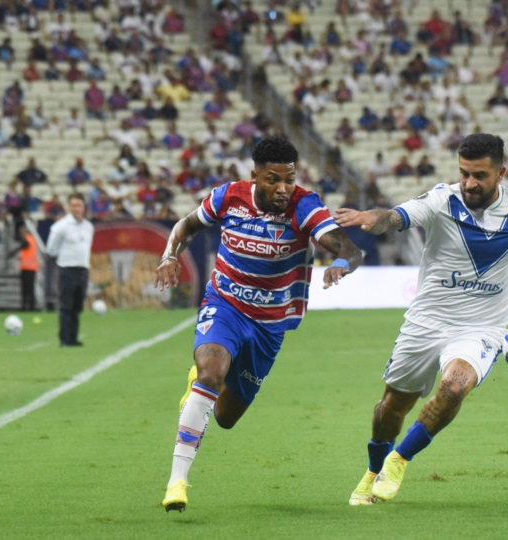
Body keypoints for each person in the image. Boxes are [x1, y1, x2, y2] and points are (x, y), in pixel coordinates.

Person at [333, 133, 508, 505]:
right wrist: (376, 218)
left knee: (454, 387)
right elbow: (399, 216)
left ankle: (399, 459)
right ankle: (373, 470)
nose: (469, 183)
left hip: (481, 328)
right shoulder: (442, 200)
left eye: (479, 175)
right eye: (464, 173)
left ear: (501, 173)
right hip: (426, 321)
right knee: (392, 407)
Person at [154, 136, 364, 513]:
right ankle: (177, 482)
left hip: (270, 326)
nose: (283, 188)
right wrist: (169, 255)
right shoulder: (228, 197)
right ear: (255, 176)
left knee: (226, 417)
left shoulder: (304, 205)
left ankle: (204, 383)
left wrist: (340, 264)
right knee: (211, 374)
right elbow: (186, 225)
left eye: (289, 178)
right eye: (273, 179)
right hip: (226, 305)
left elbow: (350, 248)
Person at [45, 193, 93, 347]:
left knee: (78, 305)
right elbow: (51, 249)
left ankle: (73, 337)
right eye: (74, 205)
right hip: (67, 269)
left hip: (83, 268)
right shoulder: (61, 227)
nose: (77, 209)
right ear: (69, 207)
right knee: (66, 305)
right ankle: (64, 338)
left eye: (79, 205)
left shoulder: (88, 227)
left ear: (84, 207)